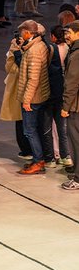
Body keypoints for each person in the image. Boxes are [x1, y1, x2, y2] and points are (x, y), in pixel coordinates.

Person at [14, 19, 52, 174]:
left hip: (33, 97)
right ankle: (39, 158)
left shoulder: (34, 51)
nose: (21, 35)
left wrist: (27, 100)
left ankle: (38, 161)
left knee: (29, 130)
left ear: (28, 32)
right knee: (35, 128)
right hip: (40, 94)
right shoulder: (40, 45)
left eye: (22, 32)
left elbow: (33, 78)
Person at [62, 20, 79, 192]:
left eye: (70, 32)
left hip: (76, 105)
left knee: (76, 142)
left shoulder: (76, 53)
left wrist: (65, 106)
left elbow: (72, 83)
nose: (67, 35)